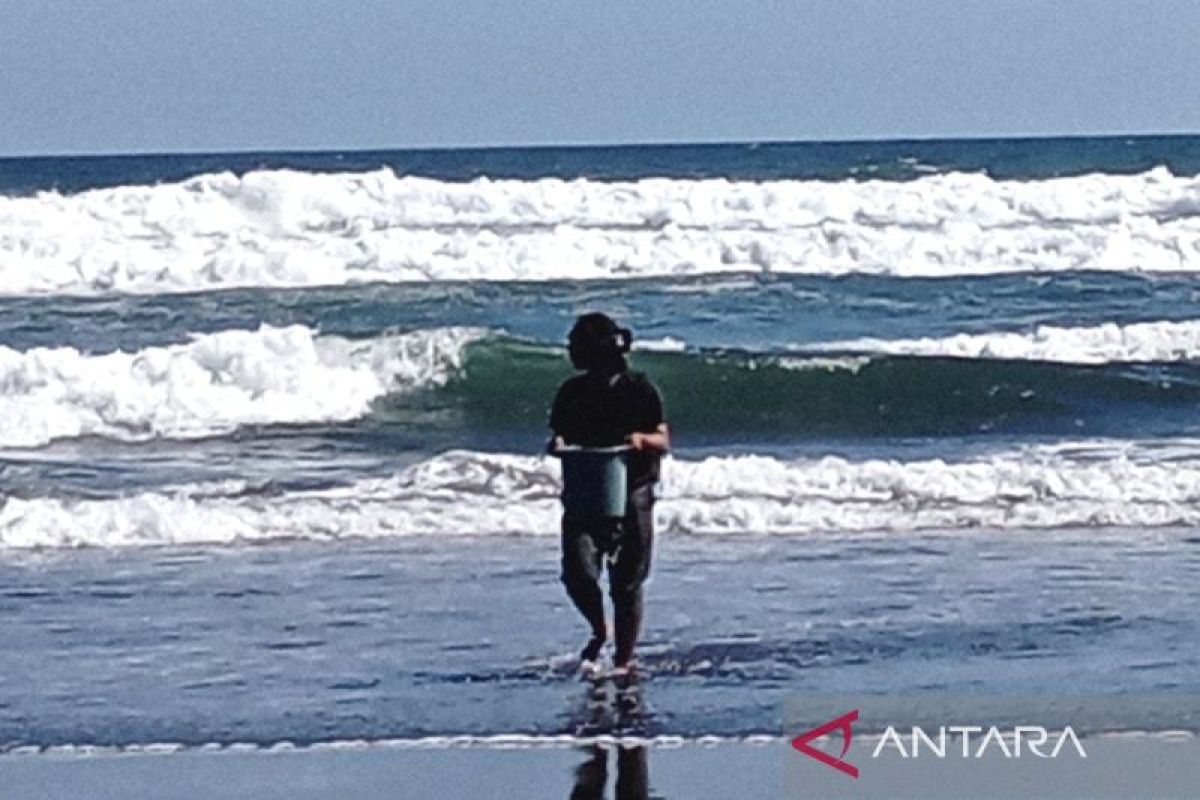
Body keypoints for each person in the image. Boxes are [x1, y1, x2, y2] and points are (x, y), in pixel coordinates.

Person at [548, 313, 669, 674]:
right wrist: (558, 445)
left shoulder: (639, 390)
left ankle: (622, 661)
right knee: (578, 572)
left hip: (633, 488)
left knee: (627, 582)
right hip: (585, 488)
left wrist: (640, 440)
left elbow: (662, 440)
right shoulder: (572, 392)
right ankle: (601, 629)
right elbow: (558, 436)